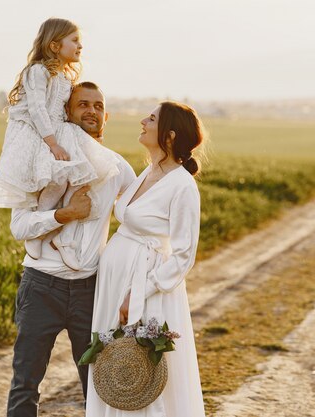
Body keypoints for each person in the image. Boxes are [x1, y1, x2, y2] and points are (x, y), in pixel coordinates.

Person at [7, 81, 136, 417]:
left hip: (91, 290)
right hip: (40, 286)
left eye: (97, 106)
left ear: (106, 116)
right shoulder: (38, 160)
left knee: (97, 385)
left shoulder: (120, 169)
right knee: (25, 383)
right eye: (83, 104)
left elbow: (138, 226)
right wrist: (65, 214)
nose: (91, 111)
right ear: (66, 112)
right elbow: (19, 226)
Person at [86, 101, 206, 417]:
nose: (142, 121)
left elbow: (183, 256)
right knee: (117, 367)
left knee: (142, 372)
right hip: (117, 283)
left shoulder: (182, 186)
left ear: (168, 135)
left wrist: (139, 292)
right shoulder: (147, 173)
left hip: (145, 287)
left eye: (150, 119)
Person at [0, 17, 119, 270]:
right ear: (54, 45)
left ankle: (62, 239)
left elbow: (67, 113)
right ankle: (38, 232)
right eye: (74, 41)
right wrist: (53, 144)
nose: (80, 46)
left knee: (71, 177)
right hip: (37, 135)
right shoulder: (38, 71)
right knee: (54, 180)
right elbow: (38, 109)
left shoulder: (64, 78)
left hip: (58, 133)